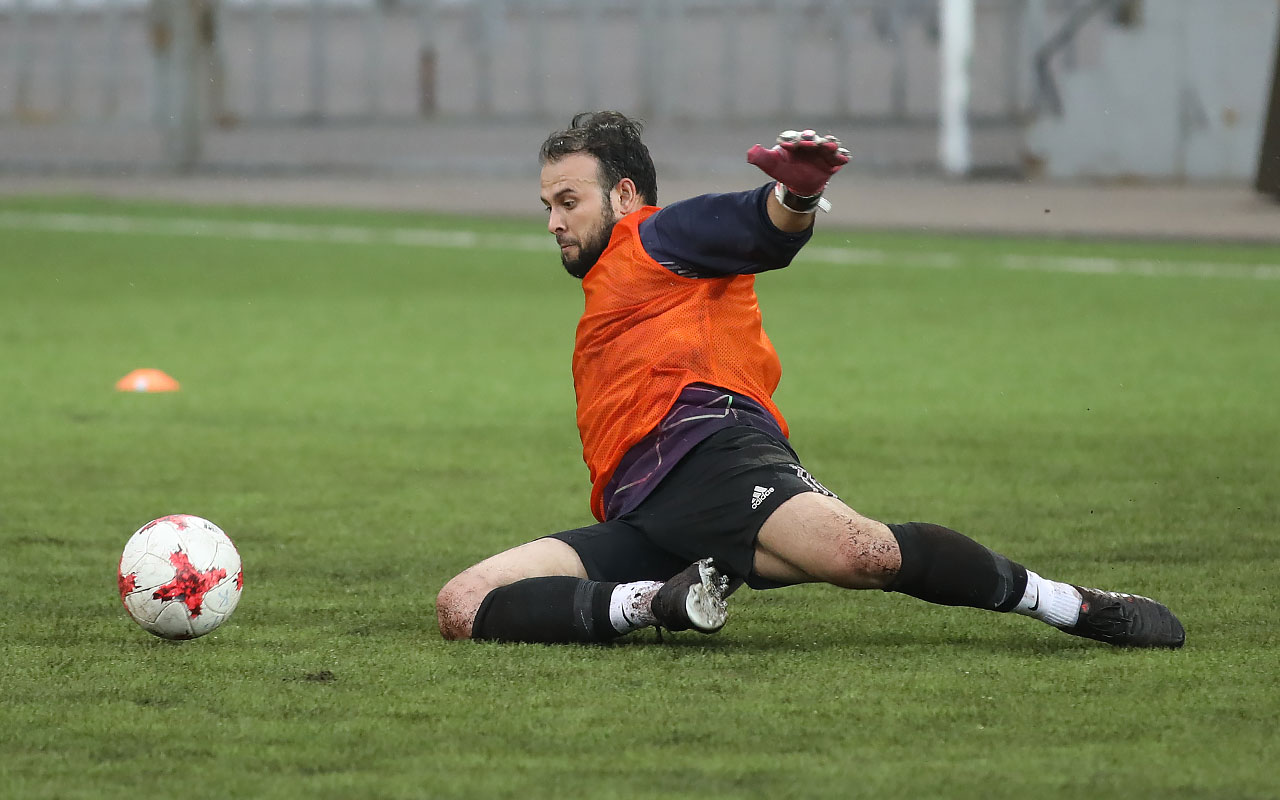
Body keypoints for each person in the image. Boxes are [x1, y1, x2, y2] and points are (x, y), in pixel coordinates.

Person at [435, 111, 1185, 649]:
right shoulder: (614, 285)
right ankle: (658, 602)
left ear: (626, 196)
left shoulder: (654, 236)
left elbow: (757, 227)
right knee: (463, 603)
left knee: (864, 554)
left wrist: (792, 197)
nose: (553, 222)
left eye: (568, 202)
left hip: (714, 460)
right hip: (646, 517)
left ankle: (1071, 606)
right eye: (547, 206)